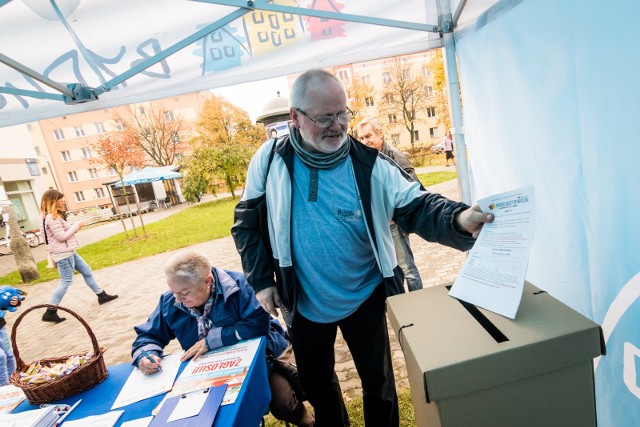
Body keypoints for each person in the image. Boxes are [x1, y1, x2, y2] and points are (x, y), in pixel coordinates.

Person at [232, 69, 493, 427]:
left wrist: (460, 220)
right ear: (295, 117)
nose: (338, 126)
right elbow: (246, 223)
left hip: (364, 294)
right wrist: (262, 280)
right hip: (303, 298)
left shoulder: (369, 164)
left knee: (379, 384)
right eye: (325, 117)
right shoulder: (270, 160)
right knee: (319, 385)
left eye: (343, 114)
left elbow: (418, 205)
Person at [132, 251, 314, 427]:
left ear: (208, 281)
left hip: (262, 360)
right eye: (173, 292)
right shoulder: (170, 300)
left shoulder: (241, 286)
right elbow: (149, 335)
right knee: (194, 413)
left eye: (184, 293)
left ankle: (308, 422)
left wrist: (211, 340)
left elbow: (256, 327)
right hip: (205, 372)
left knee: (284, 404)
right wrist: (146, 354)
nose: (178, 299)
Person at [356, 117, 424, 292]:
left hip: (393, 223)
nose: (364, 141)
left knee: (407, 269)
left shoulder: (394, 156)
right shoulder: (366, 158)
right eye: (361, 138)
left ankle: (419, 304)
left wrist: (393, 216)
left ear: (380, 134)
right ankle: (401, 306)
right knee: (391, 269)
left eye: (368, 136)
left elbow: (413, 189)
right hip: (379, 222)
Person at [40, 190, 118, 323]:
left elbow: (61, 234)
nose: (63, 201)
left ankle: (101, 295)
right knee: (66, 281)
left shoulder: (53, 216)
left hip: (68, 251)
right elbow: (61, 237)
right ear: (53, 201)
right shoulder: (51, 218)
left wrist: (75, 227)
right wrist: (76, 226)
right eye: (61, 199)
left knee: (86, 271)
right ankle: (50, 311)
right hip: (63, 253)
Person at [0, 286, 24, 386]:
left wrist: (13, 301)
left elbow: (3, 299)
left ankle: (14, 382)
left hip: (1, 327)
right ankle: (4, 387)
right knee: (1, 356)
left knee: (9, 355)